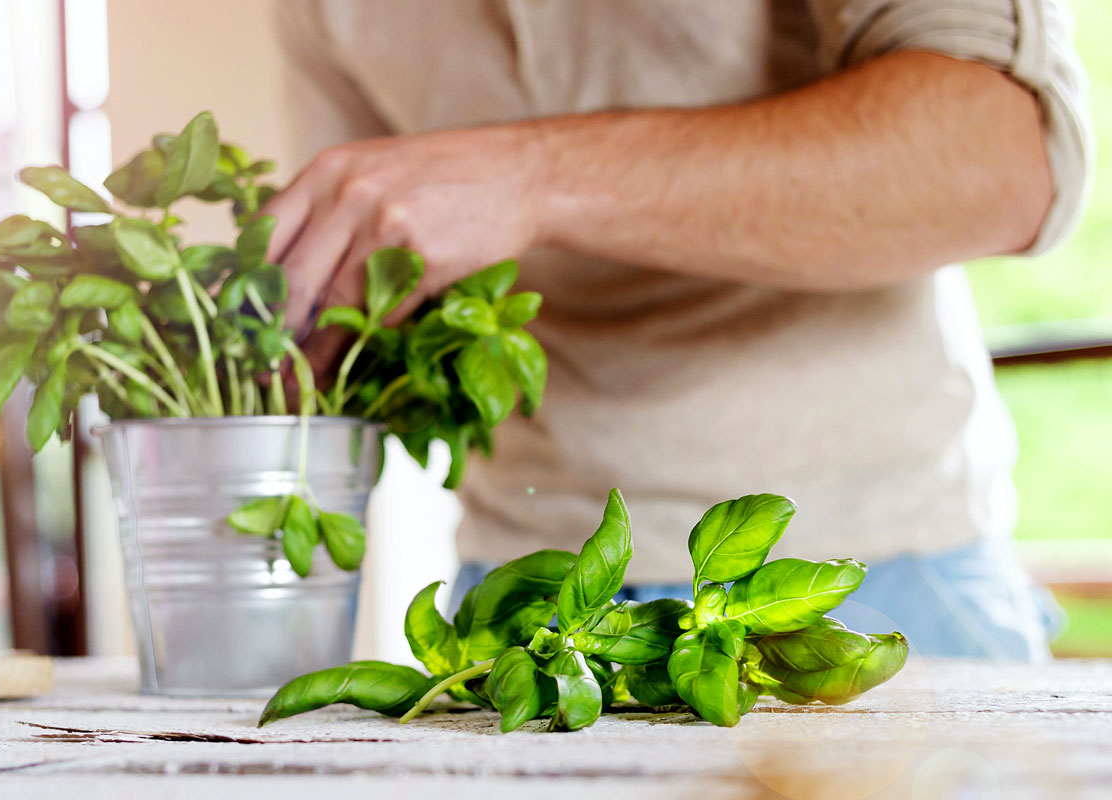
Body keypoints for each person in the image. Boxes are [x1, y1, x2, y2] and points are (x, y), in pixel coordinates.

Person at [263, 0, 1093, 661]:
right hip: (522, 602)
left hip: (864, 585)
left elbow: (996, 156)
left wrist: (535, 175)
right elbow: (368, 284)